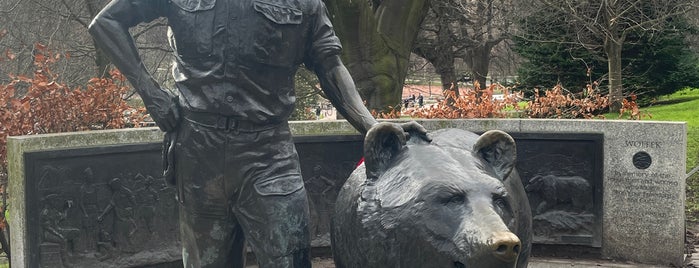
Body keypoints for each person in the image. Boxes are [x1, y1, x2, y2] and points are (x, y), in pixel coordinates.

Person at [88, 1, 429, 267]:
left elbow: (330, 65)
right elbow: (106, 22)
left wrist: (372, 125)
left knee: (291, 257)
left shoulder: (304, 2)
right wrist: (150, 93)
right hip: (198, 154)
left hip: (268, 152)